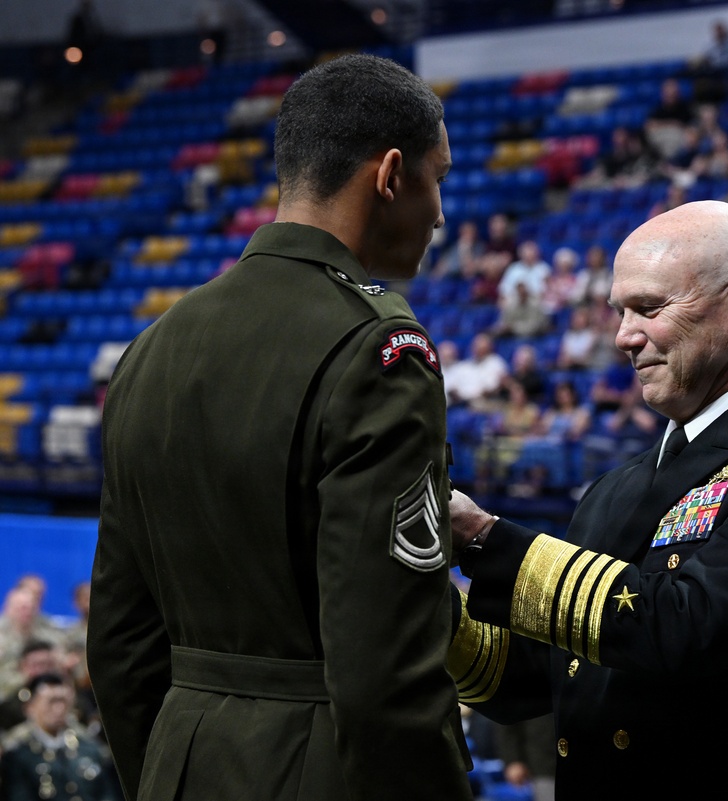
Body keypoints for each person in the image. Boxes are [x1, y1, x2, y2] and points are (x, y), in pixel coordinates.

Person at [87, 54, 474, 801]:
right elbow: (385, 671)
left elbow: (120, 645)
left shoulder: (152, 348)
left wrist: (165, 773)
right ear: (391, 175)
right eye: (439, 179)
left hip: (177, 766)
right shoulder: (379, 348)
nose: (439, 213)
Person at [446, 200, 728, 799]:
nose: (624, 337)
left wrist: (482, 538)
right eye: (620, 312)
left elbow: (685, 628)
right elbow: (520, 681)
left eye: (650, 308)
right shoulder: (614, 487)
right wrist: (418, 583)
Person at [0, 672, 121, 801]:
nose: (59, 709)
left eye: (62, 701)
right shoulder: (19, 756)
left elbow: (109, 793)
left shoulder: (90, 748)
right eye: (51, 702)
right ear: (30, 707)